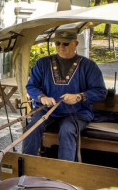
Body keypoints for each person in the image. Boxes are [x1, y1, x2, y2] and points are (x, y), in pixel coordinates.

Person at [22, 28, 107, 161]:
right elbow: (31, 86)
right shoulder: (42, 64)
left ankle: (64, 170)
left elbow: (100, 91)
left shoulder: (88, 66)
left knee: (67, 130)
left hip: (77, 112)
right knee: (33, 127)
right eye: (58, 43)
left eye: (66, 43)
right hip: (47, 110)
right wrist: (42, 97)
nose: (61, 47)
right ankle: (26, 166)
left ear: (75, 43)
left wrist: (79, 97)